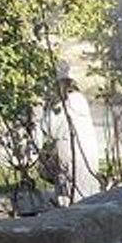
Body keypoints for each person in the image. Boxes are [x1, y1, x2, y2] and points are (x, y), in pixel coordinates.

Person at [43, 65, 102, 204]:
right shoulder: (80, 100)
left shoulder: (60, 105)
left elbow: (47, 128)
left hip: (71, 154)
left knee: (72, 194)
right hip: (87, 153)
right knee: (87, 191)